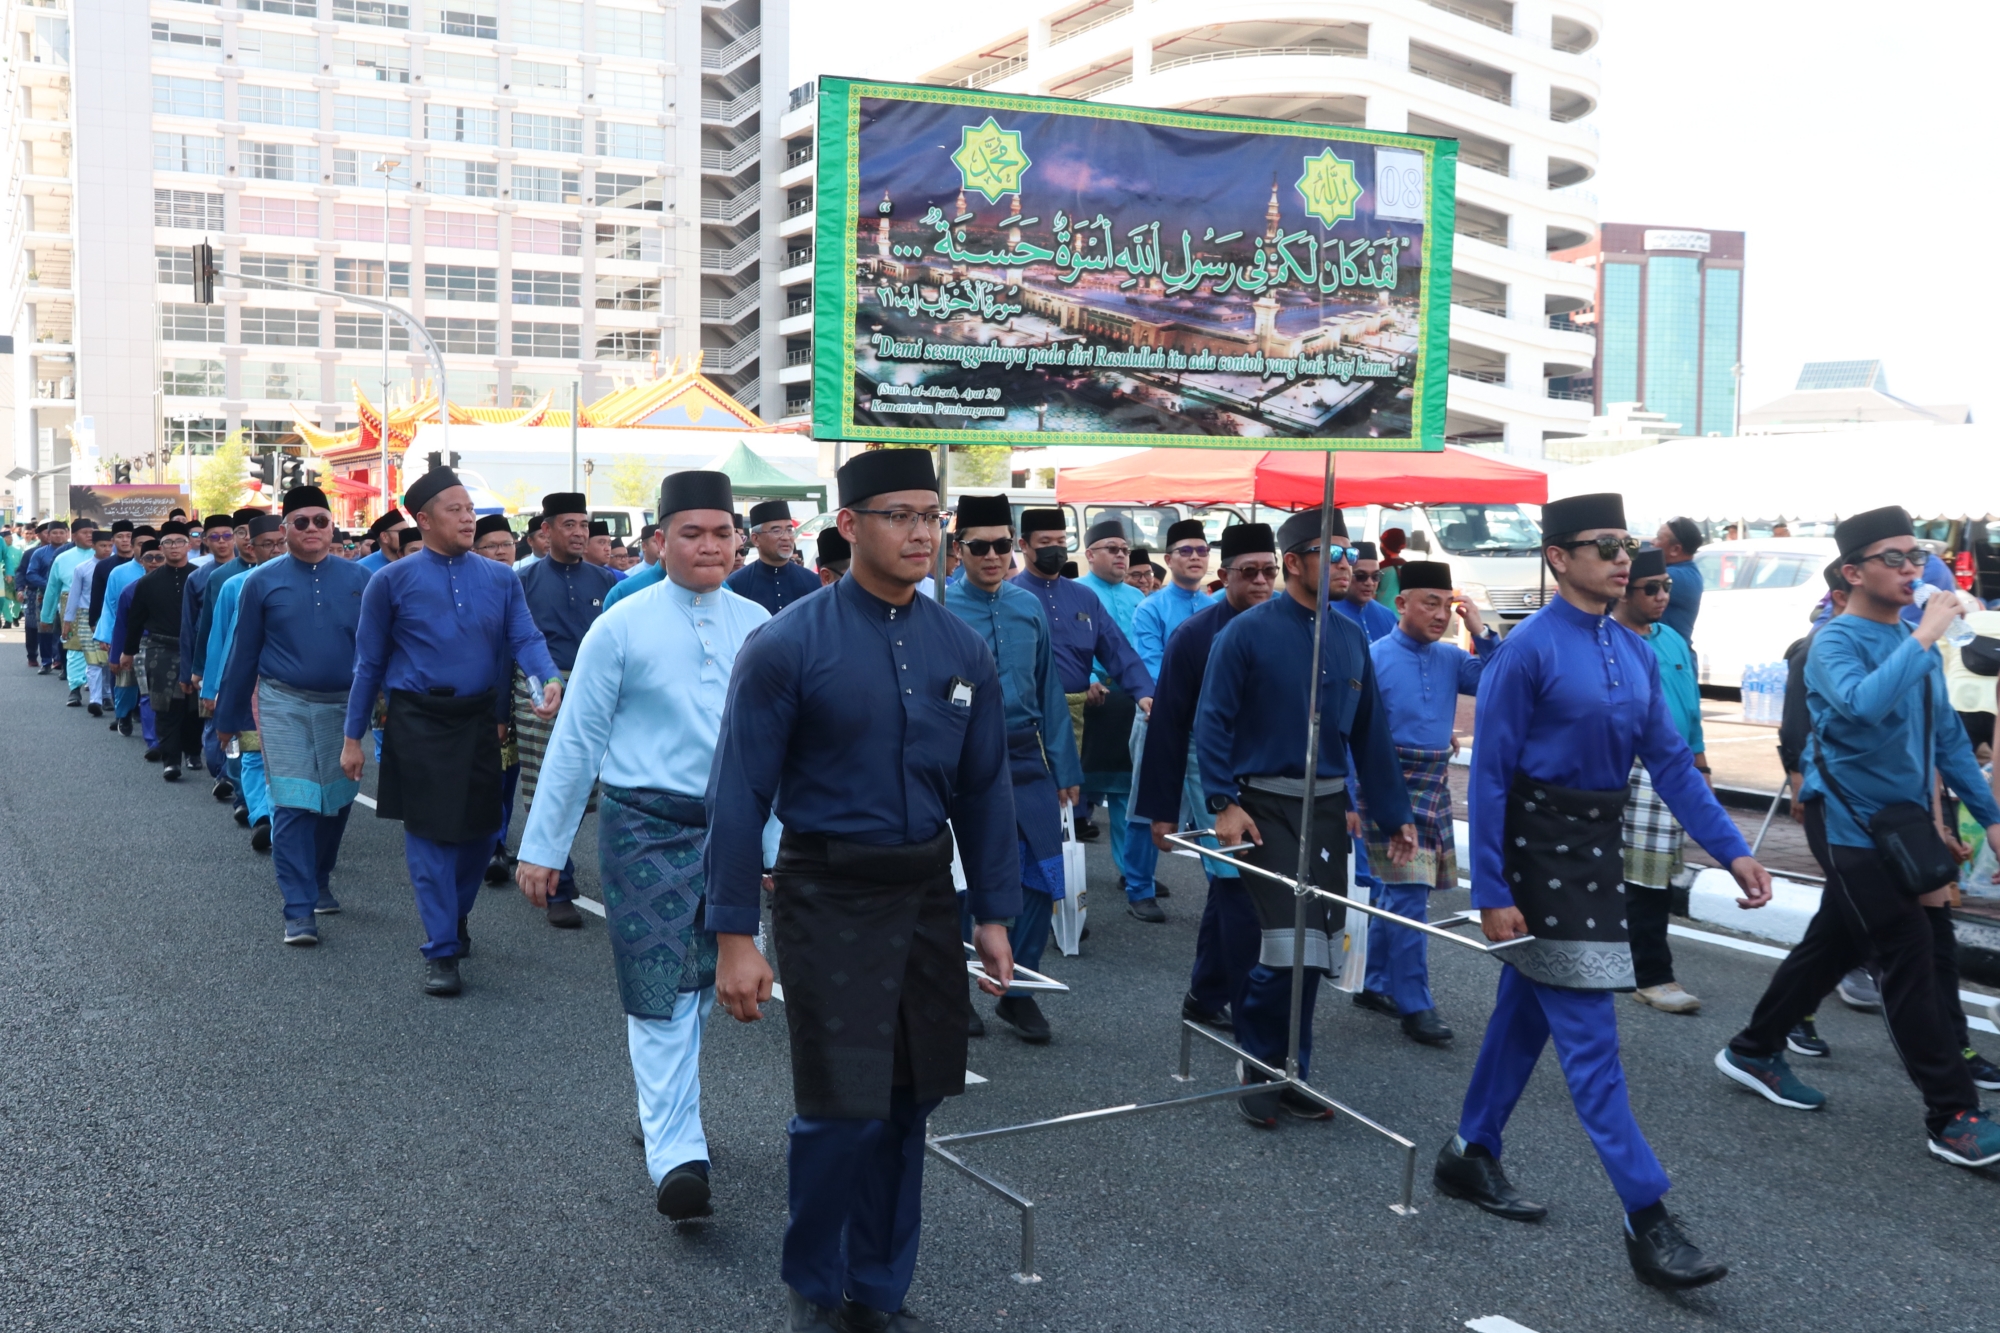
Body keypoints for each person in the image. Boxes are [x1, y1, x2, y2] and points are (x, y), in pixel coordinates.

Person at [704, 448, 1017, 1333]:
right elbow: (737, 791)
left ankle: (878, 1288)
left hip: (924, 893)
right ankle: (815, 1281)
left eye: (931, 514)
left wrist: (993, 911)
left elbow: (986, 787)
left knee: (911, 1100)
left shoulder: (961, 647)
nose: (921, 532)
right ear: (849, 526)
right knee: (841, 1106)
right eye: (898, 515)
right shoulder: (787, 643)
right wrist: (734, 932)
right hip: (825, 891)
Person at [1435, 492, 1769, 1291]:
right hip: (1536, 858)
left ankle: (1469, 1153)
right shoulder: (1527, 650)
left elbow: (1670, 760)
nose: (1622, 557)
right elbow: (1487, 777)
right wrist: (1491, 888)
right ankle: (1647, 1215)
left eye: (1625, 542)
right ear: (1558, 557)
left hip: (1595, 851)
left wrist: (1730, 849)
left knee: (1525, 1016)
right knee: (1592, 1049)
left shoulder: (1636, 648)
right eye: (1602, 544)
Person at [516, 471, 768, 1223]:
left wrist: (781, 844)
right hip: (643, 830)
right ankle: (676, 1152)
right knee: (660, 988)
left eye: (722, 532)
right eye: (692, 532)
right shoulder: (621, 624)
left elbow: (778, 749)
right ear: (659, 540)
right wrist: (545, 846)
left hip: (732, 832)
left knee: (710, 984)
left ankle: (665, 1113)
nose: (709, 545)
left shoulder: (758, 622)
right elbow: (579, 738)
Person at [1717, 506, 2000, 1169]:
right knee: (1913, 950)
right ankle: (1952, 1112)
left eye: (1917, 554)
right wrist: (1925, 637)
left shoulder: (1914, 642)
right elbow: (1862, 704)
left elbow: (1948, 742)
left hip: (1902, 825)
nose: (1914, 568)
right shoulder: (1833, 643)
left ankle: (1754, 1047)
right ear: (1853, 572)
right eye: (1895, 558)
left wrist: (1988, 815)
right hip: (1846, 822)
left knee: (1837, 941)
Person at [1197, 508, 1414, 1126]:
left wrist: (1392, 813)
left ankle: (1296, 1070)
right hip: (1262, 806)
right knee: (1282, 946)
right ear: (1295, 561)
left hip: (1326, 810)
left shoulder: (1350, 637)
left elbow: (1371, 734)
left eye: (1350, 554)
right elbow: (1211, 721)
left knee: (1317, 947)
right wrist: (1222, 802)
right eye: (1333, 554)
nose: (1348, 566)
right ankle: (1258, 1063)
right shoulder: (1243, 633)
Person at [343, 466, 561, 996]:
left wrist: (547, 677)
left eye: (472, 510)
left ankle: (455, 915)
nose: (469, 519)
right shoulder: (389, 582)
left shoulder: (501, 578)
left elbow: (526, 638)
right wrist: (352, 737)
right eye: (456, 510)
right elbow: (368, 665)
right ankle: (440, 949)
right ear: (423, 520)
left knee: (482, 835)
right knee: (430, 838)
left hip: (479, 719)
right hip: (416, 721)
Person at [946, 493, 1083, 1042]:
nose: (993, 556)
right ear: (959, 550)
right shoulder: (939, 609)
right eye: (980, 547)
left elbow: (1051, 690)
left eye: (1003, 545)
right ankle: (959, 988)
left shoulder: (1028, 608)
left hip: (1027, 758)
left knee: (1040, 876)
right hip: (962, 761)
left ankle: (1018, 991)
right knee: (962, 882)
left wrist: (1066, 767)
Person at [216, 487, 373, 945]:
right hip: (282, 702)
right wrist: (227, 719)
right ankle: (299, 908)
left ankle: (320, 878)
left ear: (333, 528)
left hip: (345, 706)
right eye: (299, 522)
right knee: (294, 800)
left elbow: (380, 651)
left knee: (337, 800)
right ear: (283, 530)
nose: (310, 529)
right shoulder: (260, 582)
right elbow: (243, 654)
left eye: (319, 521)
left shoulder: (361, 580)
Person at [1136, 523, 1278, 1027]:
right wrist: (1161, 812)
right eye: (1249, 572)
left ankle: (1205, 992)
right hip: (1210, 772)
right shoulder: (1194, 636)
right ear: (1225, 575)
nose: (1261, 582)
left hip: (1271, 779)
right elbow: (1169, 728)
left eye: (1269, 571)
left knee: (1235, 888)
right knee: (1240, 889)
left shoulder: (1289, 628)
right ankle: (1248, 1009)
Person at [1351, 560, 1496, 1045]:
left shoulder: (1452, 659)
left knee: (1394, 892)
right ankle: (1416, 1004)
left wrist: (1480, 628)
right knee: (1408, 896)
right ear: (1401, 604)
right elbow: (1350, 731)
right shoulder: (1372, 656)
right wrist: (1352, 797)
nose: (1440, 615)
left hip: (1432, 780)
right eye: (1429, 603)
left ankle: (1374, 985)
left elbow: (1500, 680)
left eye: (1448, 606)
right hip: (1386, 782)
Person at [1603, 548, 1711, 1015]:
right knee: (1641, 878)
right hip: (1628, 769)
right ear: (1624, 589)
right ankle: (1651, 975)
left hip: (1675, 768)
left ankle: (1626, 962)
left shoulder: (1672, 639)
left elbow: (1690, 707)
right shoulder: (1606, 640)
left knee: (1655, 875)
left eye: (1667, 586)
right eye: (1652, 588)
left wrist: (1701, 764)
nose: (1663, 596)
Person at [1013, 510, 1153, 861]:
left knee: (1073, 811)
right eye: (1045, 543)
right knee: (1032, 812)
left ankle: (1065, 906)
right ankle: (1032, 903)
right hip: (1031, 720)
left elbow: (1117, 649)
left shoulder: (1083, 598)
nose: (1055, 550)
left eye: (1061, 542)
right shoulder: (1010, 596)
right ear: (1023, 546)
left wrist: (1145, 692)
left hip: (1085, 718)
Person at [514, 492, 622, 925]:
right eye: (569, 525)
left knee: (601, 788)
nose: (579, 533)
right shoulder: (524, 580)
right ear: (546, 530)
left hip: (597, 689)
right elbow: (515, 642)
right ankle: (559, 884)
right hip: (542, 690)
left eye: (584, 524)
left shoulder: (608, 581)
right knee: (549, 784)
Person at [1123, 519, 1220, 914]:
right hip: (1160, 719)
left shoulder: (1216, 607)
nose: (1195, 557)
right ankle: (1139, 888)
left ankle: (1224, 888)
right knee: (1146, 805)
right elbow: (1152, 669)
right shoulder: (1151, 608)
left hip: (1208, 726)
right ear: (1169, 559)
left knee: (1213, 808)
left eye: (1201, 550)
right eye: (1186, 551)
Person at [202, 515, 290, 853]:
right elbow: (219, 640)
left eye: (279, 542)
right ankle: (262, 818)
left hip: (290, 686)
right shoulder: (234, 586)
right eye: (266, 544)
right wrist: (213, 689)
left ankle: (285, 816)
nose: (275, 550)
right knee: (252, 754)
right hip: (248, 682)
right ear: (251, 547)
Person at [120, 521, 202, 780]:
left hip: (197, 649)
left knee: (195, 706)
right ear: (161, 547)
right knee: (166, 706)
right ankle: (170, 759)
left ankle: (193, 752)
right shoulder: (147, 583)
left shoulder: (201, 577)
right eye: (168, 542)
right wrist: (128, 651)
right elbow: (135, 620)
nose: (174, 547)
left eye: (179, 541)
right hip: (160, 648)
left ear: (189, 544)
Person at [726, 500, 820, 615]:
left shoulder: (812, 582)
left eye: (789, 530)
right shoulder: (736, 584)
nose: (786, 537)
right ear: (755, 539)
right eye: (777, 531)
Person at [61, 527, 117, 714]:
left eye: (110, 545)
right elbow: (74, 596)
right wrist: (68, 622)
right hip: (86, 617)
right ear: (93, 546)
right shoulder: (82, 569)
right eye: (102, 545)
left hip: (110, 617)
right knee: (93, 661)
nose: (107, 550)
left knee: (109, 659)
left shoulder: (118, 568)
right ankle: (95, 700)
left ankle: (107, 695)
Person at [43, 518, 94, 703]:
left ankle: (97, 690)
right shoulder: (62, 558)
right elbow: (52, 589)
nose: (89, 535)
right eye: (85, 532)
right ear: (73, 536)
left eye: (92, 532)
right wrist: (46, 617)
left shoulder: (106, 557)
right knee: (74, 649)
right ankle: (75, 688)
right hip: (70, 608)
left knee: (99, 648)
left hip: (98, 607)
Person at [22, 519, 70, 673]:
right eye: (54, 533)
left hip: (67, 597)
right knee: (45, 628)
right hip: (44, 596)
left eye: (61, 533)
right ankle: (46, 661)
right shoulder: (39, 553)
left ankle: (61, 661)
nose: (58, 536)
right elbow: (31, 574)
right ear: (48, 535)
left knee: (64, 629)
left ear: (67, 534)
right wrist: (50, 586)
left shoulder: (71, 552)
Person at [1654, 517, 1705, 646]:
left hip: (1671, 661)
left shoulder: (1679, 577)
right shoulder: (1684, 572)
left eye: (1659, 538)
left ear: (1675, 549)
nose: (1653, 542)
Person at [1334, 541, 1398, 642]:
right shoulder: (1327, 614)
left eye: (1375, 576)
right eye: (1361, 576)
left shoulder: (1388, 615)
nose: (1370, 583)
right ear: (1345, 575)